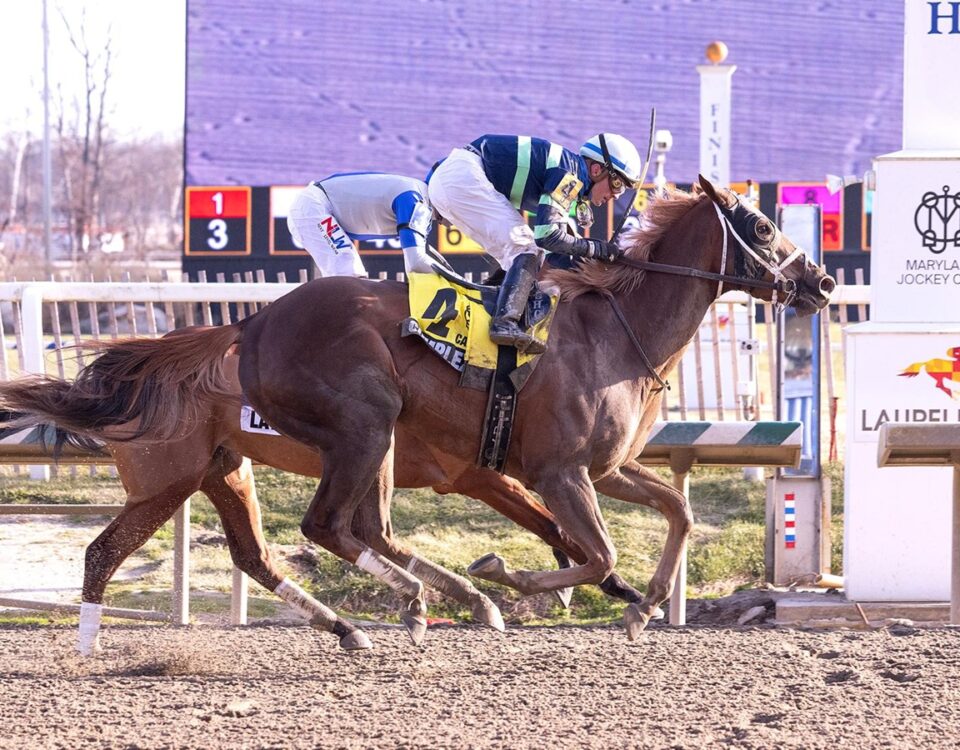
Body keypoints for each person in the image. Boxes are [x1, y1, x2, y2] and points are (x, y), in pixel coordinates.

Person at [427, 133, 643, 353]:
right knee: (525, 248)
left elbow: (558, 249)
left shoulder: (569, 172)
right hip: (461, 178)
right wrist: (597, 248)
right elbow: (547, 235)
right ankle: (505, 322)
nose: (617, 195)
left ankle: (497, 310)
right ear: (597, 170)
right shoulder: (570, 174)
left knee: (528, 252)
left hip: (454, 177)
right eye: (617, 184)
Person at [287, 172, 443, 278]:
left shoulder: (418, 194)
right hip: (313, 206)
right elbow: (415, 263)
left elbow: (415, 265)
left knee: (352, 277)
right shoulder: (416, 200)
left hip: (314, 204)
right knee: (349, 274)